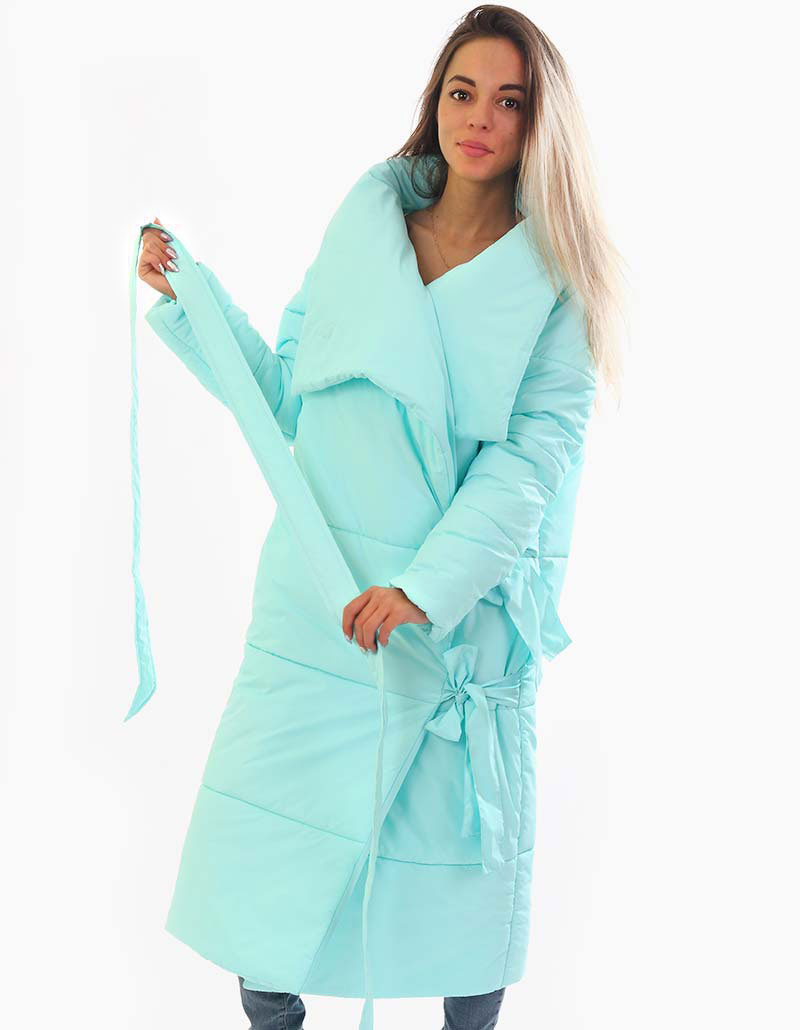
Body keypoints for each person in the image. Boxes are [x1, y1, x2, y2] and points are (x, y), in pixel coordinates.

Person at [134, 6, 624, 1029]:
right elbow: (287, 401)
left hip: (448, 626)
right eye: (462, 92)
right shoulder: (362, 231)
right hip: (322, 606)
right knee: (261, 888)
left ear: (539, 124)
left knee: (460, 905)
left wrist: (423, 589)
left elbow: (527, 467)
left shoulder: (559, 287)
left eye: (509, 101)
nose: (479, 118)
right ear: (433, 103)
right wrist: (192, 298)